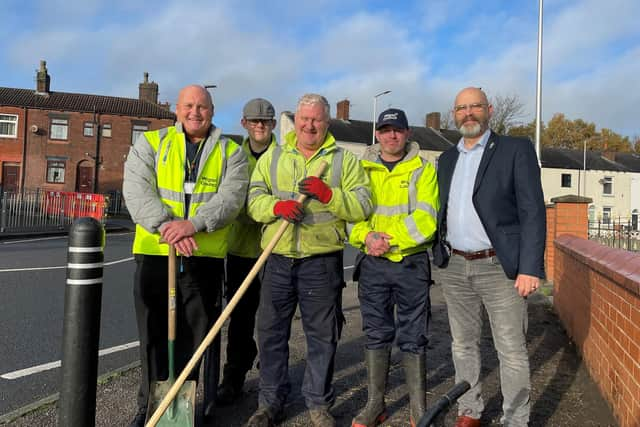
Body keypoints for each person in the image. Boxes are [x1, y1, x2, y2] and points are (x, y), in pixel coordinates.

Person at [122, 84, 248, 427]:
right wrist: (167, 227)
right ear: (177, 110)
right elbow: (136, 190)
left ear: (212, 111)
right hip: (154, 255)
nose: (196, 112)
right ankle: (148, 408)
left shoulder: (231, 151)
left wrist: (192, 225)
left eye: (202, 106)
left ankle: (188, 411)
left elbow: (232, 198)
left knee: (196, 339)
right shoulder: (151, 143)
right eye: (189, 105)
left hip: (202, 259)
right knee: (152, 336)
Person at [245, 93, 372, 427]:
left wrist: (329, 194)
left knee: (322, 336)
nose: (309, 125)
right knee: (271, 334)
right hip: (277, 259)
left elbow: (363, 206)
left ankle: (318, 403)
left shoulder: (344, 161)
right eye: (304, 119)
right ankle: (270, 402)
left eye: (316, 119)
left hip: (321, 261)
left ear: (326, 122)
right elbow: (253, 200)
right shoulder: (273, 157)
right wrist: (276, 207)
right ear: (295, 121)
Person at [433, 87, 546, 427]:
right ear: (454, 114)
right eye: (461, 108)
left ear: (489, 110)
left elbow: (532, 211)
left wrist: (529, 267)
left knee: (510, 350)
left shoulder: (515, 149)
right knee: (462, 345)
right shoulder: (447, 158)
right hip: (454, 265)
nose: (468, 113)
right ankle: (470, 410)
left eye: (475, 107)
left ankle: (515, 418)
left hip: (499, 267)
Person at [349, 108, 439, 427]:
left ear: (407, 133)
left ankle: (418, 407)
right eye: (385, 130)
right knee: (376, 333)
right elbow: (351, 217)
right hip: (372, 264)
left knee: (414, 335)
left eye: (397, 130)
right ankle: (376, 404)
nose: (391, 135)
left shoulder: (423, 169)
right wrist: (367, 238)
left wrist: (389, 241)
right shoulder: (360, 169)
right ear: (377, 134)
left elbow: (427, 219)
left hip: (411, 264)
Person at [216, 98, 278, 405]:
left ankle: (271, 382)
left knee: (272, 321)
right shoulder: (233, 156)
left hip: (274, 252)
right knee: (239, 319)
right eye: (254, 121)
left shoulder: (284, 158)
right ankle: (234, 377)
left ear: (273, 125)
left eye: (265, 122)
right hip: (240, 250)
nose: (260, 127)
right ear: (244, 124)